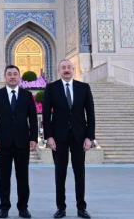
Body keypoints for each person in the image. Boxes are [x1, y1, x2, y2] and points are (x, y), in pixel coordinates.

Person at [41, 60, 95, 219]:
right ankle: (61, 208)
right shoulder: (51, 88)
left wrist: (89, 137)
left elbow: (90, 114)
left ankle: (81, 207)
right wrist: (49, 136)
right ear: (58, 70)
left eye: (69, 67)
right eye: (63, 67)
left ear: (73, 69)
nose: (66, 70)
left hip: (79, 137)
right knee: (60, 173)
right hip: (59, 137)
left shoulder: (84, 88)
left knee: (80, 173)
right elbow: (46, 114)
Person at [0, 65, 39, 218]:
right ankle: (4, 207)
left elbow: (33, 118)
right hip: (3, 142)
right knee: (3, 177)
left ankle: (23, 208)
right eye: (9, 74)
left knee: (23, 177)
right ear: (5, 77)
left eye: (15, 74)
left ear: (19, 76)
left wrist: (33, 138)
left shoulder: (27, 95)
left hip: (22, 142)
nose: (12, 76)